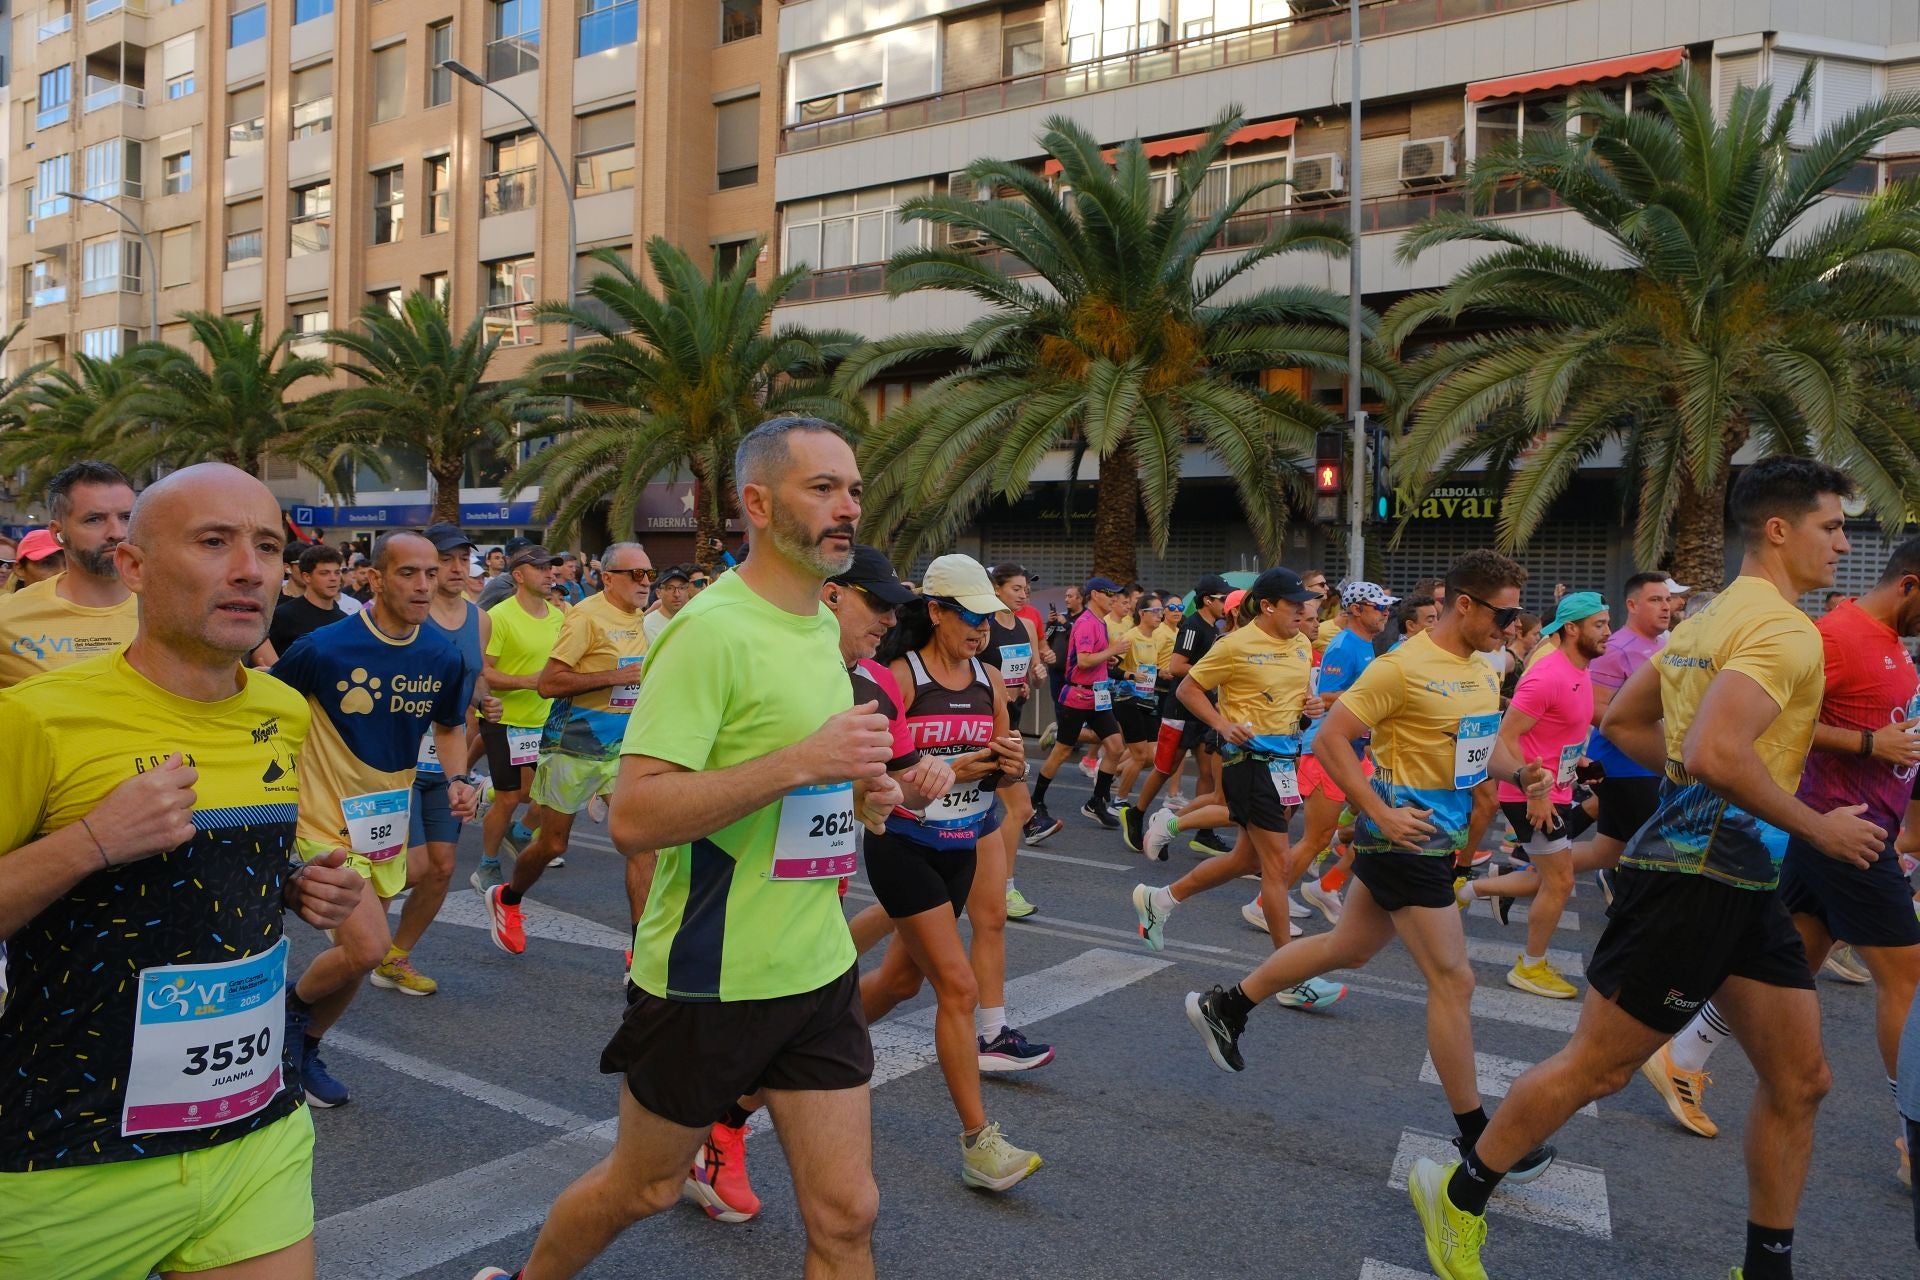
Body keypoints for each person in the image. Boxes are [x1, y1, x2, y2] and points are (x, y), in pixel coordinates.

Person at [1412, 458, 1875, 1280]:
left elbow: (1625, 721)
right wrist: (1816, 828)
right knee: (1601, 1065)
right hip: (1696, 879)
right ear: (1779, 529)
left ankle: (1765, 1268)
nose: (1844, 543)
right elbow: (1716, 749)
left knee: (1801, 1080)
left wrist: (1694, 784)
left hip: (1742, 881)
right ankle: (1458, 1192)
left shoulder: (1702, 621)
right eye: (1832, 526)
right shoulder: (1780, 629)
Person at [471, 417, 898, 1280]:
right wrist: (801, 763)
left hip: (815, 967)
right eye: (823, 488)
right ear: (757, 503)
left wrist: (859, 791)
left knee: (848, 1216)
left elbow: (796, 776)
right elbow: (636, 815)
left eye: (853, 488)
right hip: (712, 976)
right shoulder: (707, 632)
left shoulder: (820, 623)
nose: (848, 507)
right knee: (644, 1187)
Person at [0, 462, 363, 1280]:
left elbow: (227, 876)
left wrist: (299, 887)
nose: (250, 568)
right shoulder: (36, 718)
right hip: (68, 1153)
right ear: (133, 566)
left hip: (250, 1130)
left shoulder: (282, 709)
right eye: (213, 542)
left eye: (268, 546)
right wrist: (90, 840)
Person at [1185, 552, 1559, 1181]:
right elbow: (1330, 737)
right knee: (1455, 981)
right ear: (1463, 604)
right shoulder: (1403, 666)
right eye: (1506, 612)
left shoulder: (1480, 666)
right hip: (1403, 841)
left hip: (1432, 841)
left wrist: (1518, 770)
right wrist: (1378, 816)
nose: (1514, 625)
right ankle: (1481, 1140)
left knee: (1348, 946)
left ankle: (1228, 1006)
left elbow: (1478, 743)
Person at [1639, 539, 1920, 1188]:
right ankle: (1913, 1137)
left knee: (1795, 958)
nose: (1839, 543)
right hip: (1840, 831)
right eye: (1829, 529)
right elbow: (1777, 718)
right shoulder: (1837, 635)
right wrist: (1871, 744)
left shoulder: (1882, 639)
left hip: (1844, 834)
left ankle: (1683, 1053)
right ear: (1909, 584)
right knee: (1907, 982)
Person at [273, 531, 477, 1105]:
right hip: (321, 823)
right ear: (376, 578)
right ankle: (286, 1017)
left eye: (430, 574)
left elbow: (449, 726)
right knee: (367, 947)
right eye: (408, 573)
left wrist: (460, 779)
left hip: (384, 821)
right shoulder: (323, 648)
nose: (422, 585)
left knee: (359, 960)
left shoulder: (442, 653)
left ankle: (302, 1046)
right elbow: (263, 713)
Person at [862, 555, 1043, 1189]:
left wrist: (1009, 765)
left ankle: (808, 1040)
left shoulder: (991, 678)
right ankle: (978, 1143)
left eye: (989, 619)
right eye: (969, 618)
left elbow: (1000, 767)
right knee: (958, 988)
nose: (982, 631)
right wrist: (953, 770)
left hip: (960, 845)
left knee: (897, 984)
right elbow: (878, 773)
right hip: (903, 843)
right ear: (935, 610)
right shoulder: (897, 678)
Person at [1129, 569, 1343, 1005]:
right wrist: (1222, 724)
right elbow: (1188, 688)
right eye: (1294, 605)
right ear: (1268, 606)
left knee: (1244, 858)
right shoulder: (1236, 645)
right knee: (1277, 868)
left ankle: (1161, 899)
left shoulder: (1301, 644)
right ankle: (1287, 976)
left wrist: (1311, 707)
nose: (1303, 612)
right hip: (1250, 764)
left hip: (1284, 763)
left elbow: (1299, 701)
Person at [483, 542, 655, 956]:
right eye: (636, 574)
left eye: (650, 573)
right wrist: (616, 676)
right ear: (608, 577)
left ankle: (641, 952)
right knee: (552, 845)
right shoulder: (584, 618)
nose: (646, 582)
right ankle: (507, 896)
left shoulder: (639, 620)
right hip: (572, 746)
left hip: (622, 750)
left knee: (643, 842)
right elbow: (549, 684)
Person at [1456, 592, 1612, 1000]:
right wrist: (1535, 793)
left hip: (1554, 788)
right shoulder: (1548, 675)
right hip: (1529, 794)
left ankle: (1465, 893)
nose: (1607, 633)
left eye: (1607, 624)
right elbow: (1507, 737)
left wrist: (1580, 766)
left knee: (1544, 876)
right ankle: (1530, 966)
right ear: (1572, 628)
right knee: (1559, 881)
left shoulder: (1578, 671)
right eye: (1599, 625)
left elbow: (1557, 733)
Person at [386, 523, 500, 996]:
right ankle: (354, 921)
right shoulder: (410, 614)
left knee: (442, 867)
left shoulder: (480, 619)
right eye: (445, 561)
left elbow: (473, 677)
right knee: (404, 866)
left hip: (448, 761)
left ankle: (394, 957)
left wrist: (485, 701)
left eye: (462, 559)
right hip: (399, 761)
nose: (456, 569)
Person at [1283, 581, 1399, 924]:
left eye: (1387, 607)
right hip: (1328, 750)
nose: (1385, 613)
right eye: (1380, 607)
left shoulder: (1366, 645)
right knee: (1315, 837)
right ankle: (1265, 902)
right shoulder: (1344, 645)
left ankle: (1328, 884)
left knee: (1380, 818)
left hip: (1355, 749)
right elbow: (1327, 698)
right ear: (1357, 610)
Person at [473, 545, 564, 892]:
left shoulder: (558, 617)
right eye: (540, 568)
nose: (549, 574)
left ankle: (521, 831)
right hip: (505, 719)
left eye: (550, 567)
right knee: (510, 797)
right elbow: (485, 671)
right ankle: (487, 864)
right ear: (519, 576)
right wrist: (529, 682)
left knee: (548, 795)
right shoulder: (500, 617)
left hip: (546, 721)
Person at [0, 462, 138, 689]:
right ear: (57, 533)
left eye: (126, 517)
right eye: (94, 519)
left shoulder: (173, 611)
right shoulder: (7, 618)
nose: (117, 532)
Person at [1583, 572, 1674, 903]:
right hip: (1623, 766)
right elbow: (1594, 708)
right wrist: (1641, 730)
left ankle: (1508, 881)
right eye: (1655, 600)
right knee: (1659, 850)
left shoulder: (1664, 645)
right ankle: (1636, 904)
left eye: (1667, 600)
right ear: (1632, 605)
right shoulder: (1615, 648)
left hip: (1649, 763)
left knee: (1605, 851)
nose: (1665, 607)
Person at [1127, 575, 1233, 844]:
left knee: (1207, 771)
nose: (1227, 603)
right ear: (1208, 600)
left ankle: (1204, 832)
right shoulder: (1194, 627)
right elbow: (1176, 667)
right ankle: (1137, 814)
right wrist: (1208, 676)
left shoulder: (1214, 628)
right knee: (1165, 767)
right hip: (1181, 709)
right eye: (1223, 598)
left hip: (1204, 709)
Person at [1031, 576, 1130, 829]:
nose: (1114, 599)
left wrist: (1107, 661)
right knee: (1062, 751)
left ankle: (1096, 802)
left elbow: (1091, 658)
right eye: (1110, 594)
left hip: (1099, 695)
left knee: (1116, 747)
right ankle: (1036, 801)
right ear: (1095, 594)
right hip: (1077, 695)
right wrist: (1113, 650)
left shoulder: (1100, 622)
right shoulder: (1086, 622)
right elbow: (1084, 661)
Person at [263, 544, 348, 663]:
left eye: (337, 572)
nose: (333, 578)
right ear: (307, 577)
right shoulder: (283, 615)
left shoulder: (344, 620)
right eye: (324, 573)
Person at [643, 564, 696, 642]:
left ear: (687, 591)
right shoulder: (648, 624)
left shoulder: (693, 619)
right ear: (658, 593)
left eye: (681, 588)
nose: (677, 594)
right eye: (670, 588)